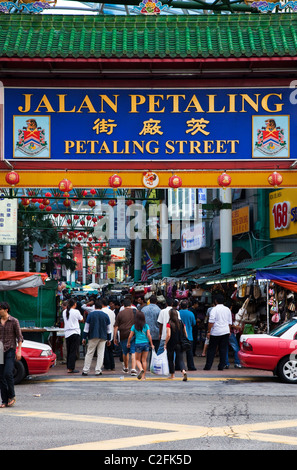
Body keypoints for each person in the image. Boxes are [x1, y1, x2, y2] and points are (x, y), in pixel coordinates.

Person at [0, 302, 23, 408]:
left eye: (0, 309)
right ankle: (4, 400)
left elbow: (19, 337)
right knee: (1, 376)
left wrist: (19, 350)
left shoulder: (14, 321)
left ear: (6, 310)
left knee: (8, 373)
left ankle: (12, 396)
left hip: (10, 349)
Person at [81, 299, 111, 376]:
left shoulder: (90, 314)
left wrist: (84, 338)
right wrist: (109, 338)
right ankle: (98, 370)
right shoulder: (105, 315)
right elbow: (109, 329)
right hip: (103, 336)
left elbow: (86, 328)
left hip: (93, 336)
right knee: (101, 354)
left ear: (94, 306)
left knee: (90, 353)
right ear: (101, 307)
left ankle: (85, 370)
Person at [203, 294, 232, 371]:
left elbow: (211, 322)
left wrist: (209, 331)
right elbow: (229, 322)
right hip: (225, 331)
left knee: (211, 349)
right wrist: (229, 330)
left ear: (215, 301)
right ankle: (221, 366)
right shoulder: (227, 309)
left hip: (215, 332)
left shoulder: (214, 309)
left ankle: (208, 366)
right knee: (223, 349)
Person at [127, 311, 154, 380]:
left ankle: (141, 369)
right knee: (144, 360)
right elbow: (149, 335)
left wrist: (128, 343)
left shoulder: (134, 326)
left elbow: (130, 336)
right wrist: (151, 344)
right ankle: (143, 376)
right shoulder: (146, 325)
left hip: (138, 344)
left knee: (137, 360)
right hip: (146, 344)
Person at [113, 298, 137, 376]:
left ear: (123, 305)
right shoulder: (136, 312)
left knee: (125, 351)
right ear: (131, 304)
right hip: (134, 334)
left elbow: (116, 326)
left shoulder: (120, 313)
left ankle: (126, 367)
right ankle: (133, 369)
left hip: (123, 334)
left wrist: (114, 337)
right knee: (133, 351)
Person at [164, 308, 187, 382]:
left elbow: (168, 335)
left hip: (171, 344)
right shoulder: (181, 322)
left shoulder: (169, 323)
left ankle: (172, 375)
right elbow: (185, 333)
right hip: (179, 343)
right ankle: (183, 372)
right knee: (180, 359)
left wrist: (165, 343)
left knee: (170, 359)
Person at [62, 298, 83, 373]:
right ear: (74, 304)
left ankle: (69, 367)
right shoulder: (76, 311)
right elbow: (81, 319)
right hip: (75, 332)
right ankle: (71, 368)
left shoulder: (64, 312)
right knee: (73, 351)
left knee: (69, 351)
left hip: (67, 333)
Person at [179, 300, 197, 370]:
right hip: (189, 336)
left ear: (180, 306)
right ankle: (191, 366)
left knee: (179, 352)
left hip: (180, 336)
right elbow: (194, 323)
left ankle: (178, 366)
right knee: (189, 353)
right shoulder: (191, 314)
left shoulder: (178, 313)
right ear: (187, 306)